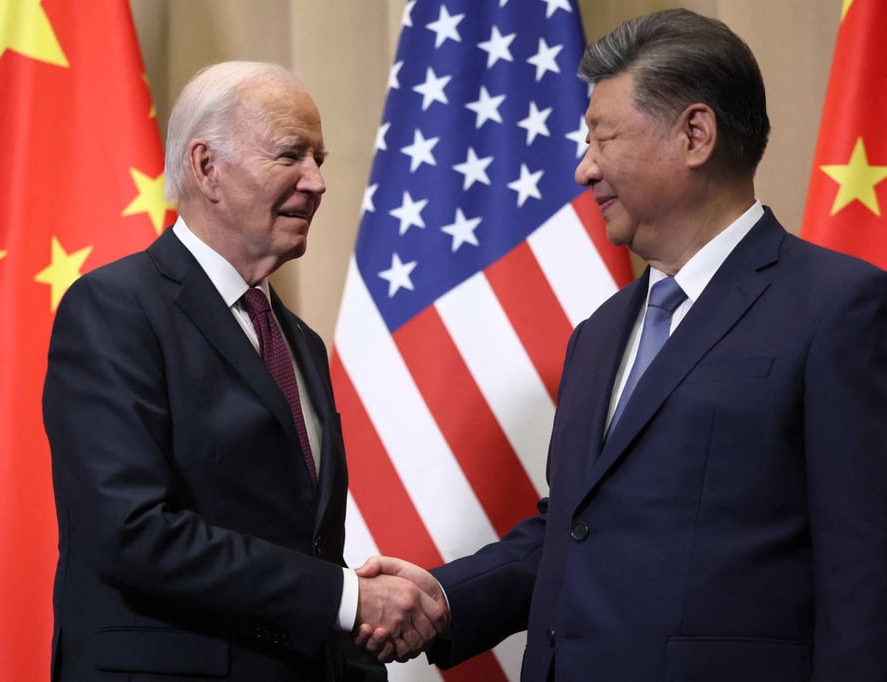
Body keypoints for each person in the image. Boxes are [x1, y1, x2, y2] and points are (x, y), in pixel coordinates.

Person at [356, 8, 887, 681]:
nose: (584, 170)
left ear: (696, 133)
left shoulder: (839, 307)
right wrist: (445, 595)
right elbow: (577, 528)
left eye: (602, 139)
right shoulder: (600, 334)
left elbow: (866, 574)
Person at [43, 61, 446, 682]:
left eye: (319, 158)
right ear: (206, 167)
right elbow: (130, 533)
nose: (316, 182)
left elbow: (300, 539)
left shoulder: (300, 342)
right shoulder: (115, 308)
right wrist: (346, 598)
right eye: (290, 155)